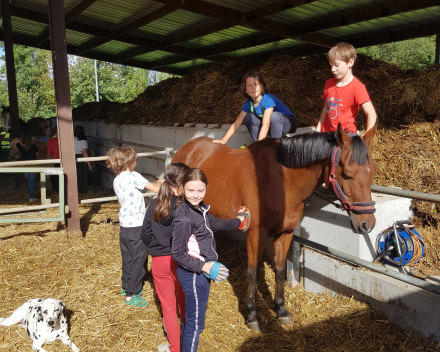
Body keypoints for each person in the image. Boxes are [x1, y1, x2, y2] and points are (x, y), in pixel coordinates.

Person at [172, 168, 249, 352]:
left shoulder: (200, 210)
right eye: (191, 190)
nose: (195, 195)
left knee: (194, 321)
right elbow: (177, 253)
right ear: (182, 189)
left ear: (207, 188)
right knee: (195, 325)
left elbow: (217, 224)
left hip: (202, 273)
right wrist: (203, 266)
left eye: (200, 190)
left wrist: (238, 221)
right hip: (193, 274)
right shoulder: (184, 219)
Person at [141, 163, 190, 352]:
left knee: (168, 307)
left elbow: (144, 233)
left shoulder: (155, 203)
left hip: (160, 261)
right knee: (183, 301)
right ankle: (188, 340)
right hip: (182, 259)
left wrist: (154, 248)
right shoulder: (185, 206)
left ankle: (175, 347)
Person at [106, 146, 162, 308]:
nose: (136, 163)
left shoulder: (117, 179)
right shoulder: (133, 175)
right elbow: (156, 190)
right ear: (129, 162)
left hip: (125, 226)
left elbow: (119, 202)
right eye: (135, 160)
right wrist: (162, 184)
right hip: (137, 225)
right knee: (139, 258)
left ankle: (126, 287)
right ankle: (132, 295)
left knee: (128, 258)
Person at [212, 71, 296, 144]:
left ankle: (276, 144)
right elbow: (236, 123)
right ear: (246, 90)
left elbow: (265, 124)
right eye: (249, 85)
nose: (253, 88)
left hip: (287, 124)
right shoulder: (248, 103)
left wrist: (261, 144)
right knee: (248, 118)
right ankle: (257, 144)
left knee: (274, 116)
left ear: (262, 86)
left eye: (256, 84)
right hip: (271, 126)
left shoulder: (268, 99)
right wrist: (224, 140)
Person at [315, 42, 377, 134]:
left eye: (336, 65)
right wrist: (318, 129)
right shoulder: (328, 84)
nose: (332, 69)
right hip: (326, 135)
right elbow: (326, 108)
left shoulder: (357, 87)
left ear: (350, 62)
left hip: (346, 136)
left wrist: (367, 138)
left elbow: (371, 113)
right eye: (331, 66)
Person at [16, 132, 38, 203]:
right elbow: (37, 156)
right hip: (33, 165)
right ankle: (31, 197)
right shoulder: (34, 147)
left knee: (28, 181)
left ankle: (30, 195)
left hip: (25, 165)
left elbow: (15, 140)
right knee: (31, 182)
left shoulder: (20, 147)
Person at [73, 125, 92, 194]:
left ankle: (73, 191)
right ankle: (80, 191)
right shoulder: (83, 141)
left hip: (71, 157)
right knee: (80, 175)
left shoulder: (71, 140)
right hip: (79, 157)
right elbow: (85, 153)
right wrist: (89, 164)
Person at [47, 126, 59, 193]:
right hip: (65, 160)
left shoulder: (50, 141)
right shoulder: (65, 140)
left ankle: (57, 191)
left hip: (56, 160)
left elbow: (49, 153)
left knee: (56, 177)